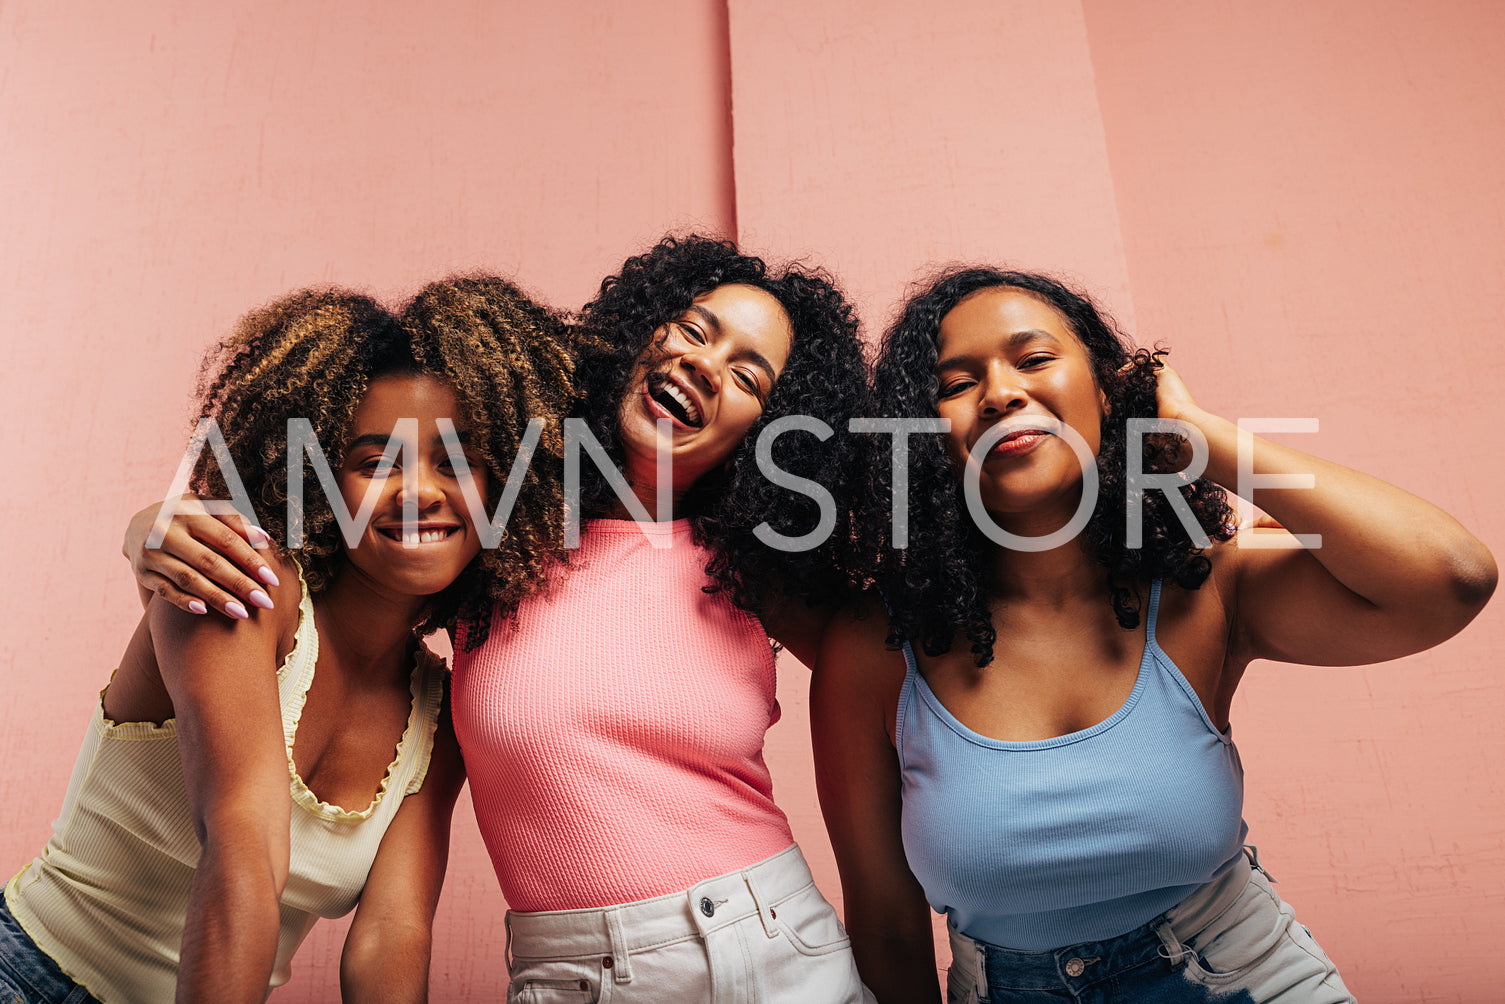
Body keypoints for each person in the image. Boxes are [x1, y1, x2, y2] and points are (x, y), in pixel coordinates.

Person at [121, 236, 876, 1002]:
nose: (704, 364)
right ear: (643, 327)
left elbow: (907, 664)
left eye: (747, 374)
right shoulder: (505, 538)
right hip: (569, 973)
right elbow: (358, 536)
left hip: (770, 949)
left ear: (767, 431)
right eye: (693, 328)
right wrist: (151, 528)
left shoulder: (754, 569)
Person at [812, 267, 1496, 1002]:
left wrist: (1200, 437)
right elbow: (886, 928)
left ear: (1107, 389)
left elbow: (1449, 579)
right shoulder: (876, 647)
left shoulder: (1207, 585)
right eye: (954, 384)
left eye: (1034, 359)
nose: (1002, 393)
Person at [3, 278, 577, 1003]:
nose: (421, 491)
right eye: (375, 462)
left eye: (458, 462)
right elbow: (244, 850)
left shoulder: (440, 712)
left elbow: (391, 935)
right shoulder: (235, 586)